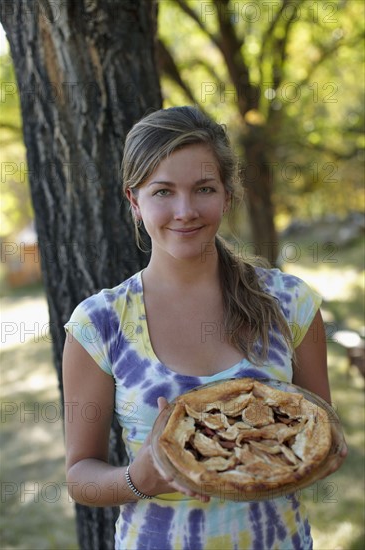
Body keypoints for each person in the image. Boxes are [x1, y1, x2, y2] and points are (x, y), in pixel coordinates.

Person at [63, 106, 346, 550]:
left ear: (227, 196)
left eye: (204, 189)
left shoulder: (290, 304)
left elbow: (321, 432)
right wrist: (140, 479)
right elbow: (81, 476)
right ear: (134, 202)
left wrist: (322, 453)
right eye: (162, 192)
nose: (185, 210)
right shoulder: (99, 324)